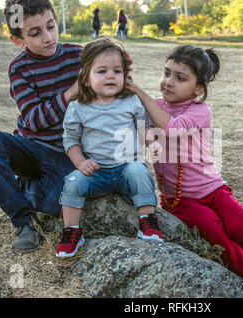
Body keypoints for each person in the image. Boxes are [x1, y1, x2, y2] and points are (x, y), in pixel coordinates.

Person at [126, 45, 243, 295]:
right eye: (166, 73)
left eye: (180, 78)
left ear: (199, 89)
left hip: (212, 187)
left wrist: (139, 91)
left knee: (242, 222)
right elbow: (146, 131)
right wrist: (147, 133)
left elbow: (172, 128)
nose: (168, 82)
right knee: (212, 227)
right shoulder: (154, 107)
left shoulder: (200, 111)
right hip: (181, 199)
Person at [0, 0, 82, 253]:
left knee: (57, 204)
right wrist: (70, 93)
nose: (48, 37)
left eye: (51, 27)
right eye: (35, 33)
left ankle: (29, 188)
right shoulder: (19, 68)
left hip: (67, 153)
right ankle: (23, 221)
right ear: (17, 40)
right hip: (31, 147)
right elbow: (34, 120)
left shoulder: (79, 56)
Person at [55, 38, 163, 258]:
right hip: (96, 172)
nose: (111, 76)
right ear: (85, 78)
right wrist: (81, 162)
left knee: (139, 171)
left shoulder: (131, 101)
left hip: (126, 169)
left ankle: (147, 221)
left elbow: (144, 128)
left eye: (117, 71)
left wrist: (152, 142)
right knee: (73, 182)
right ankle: (71, 232)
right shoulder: (77, 107)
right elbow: (71, 140)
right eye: (102, 71)